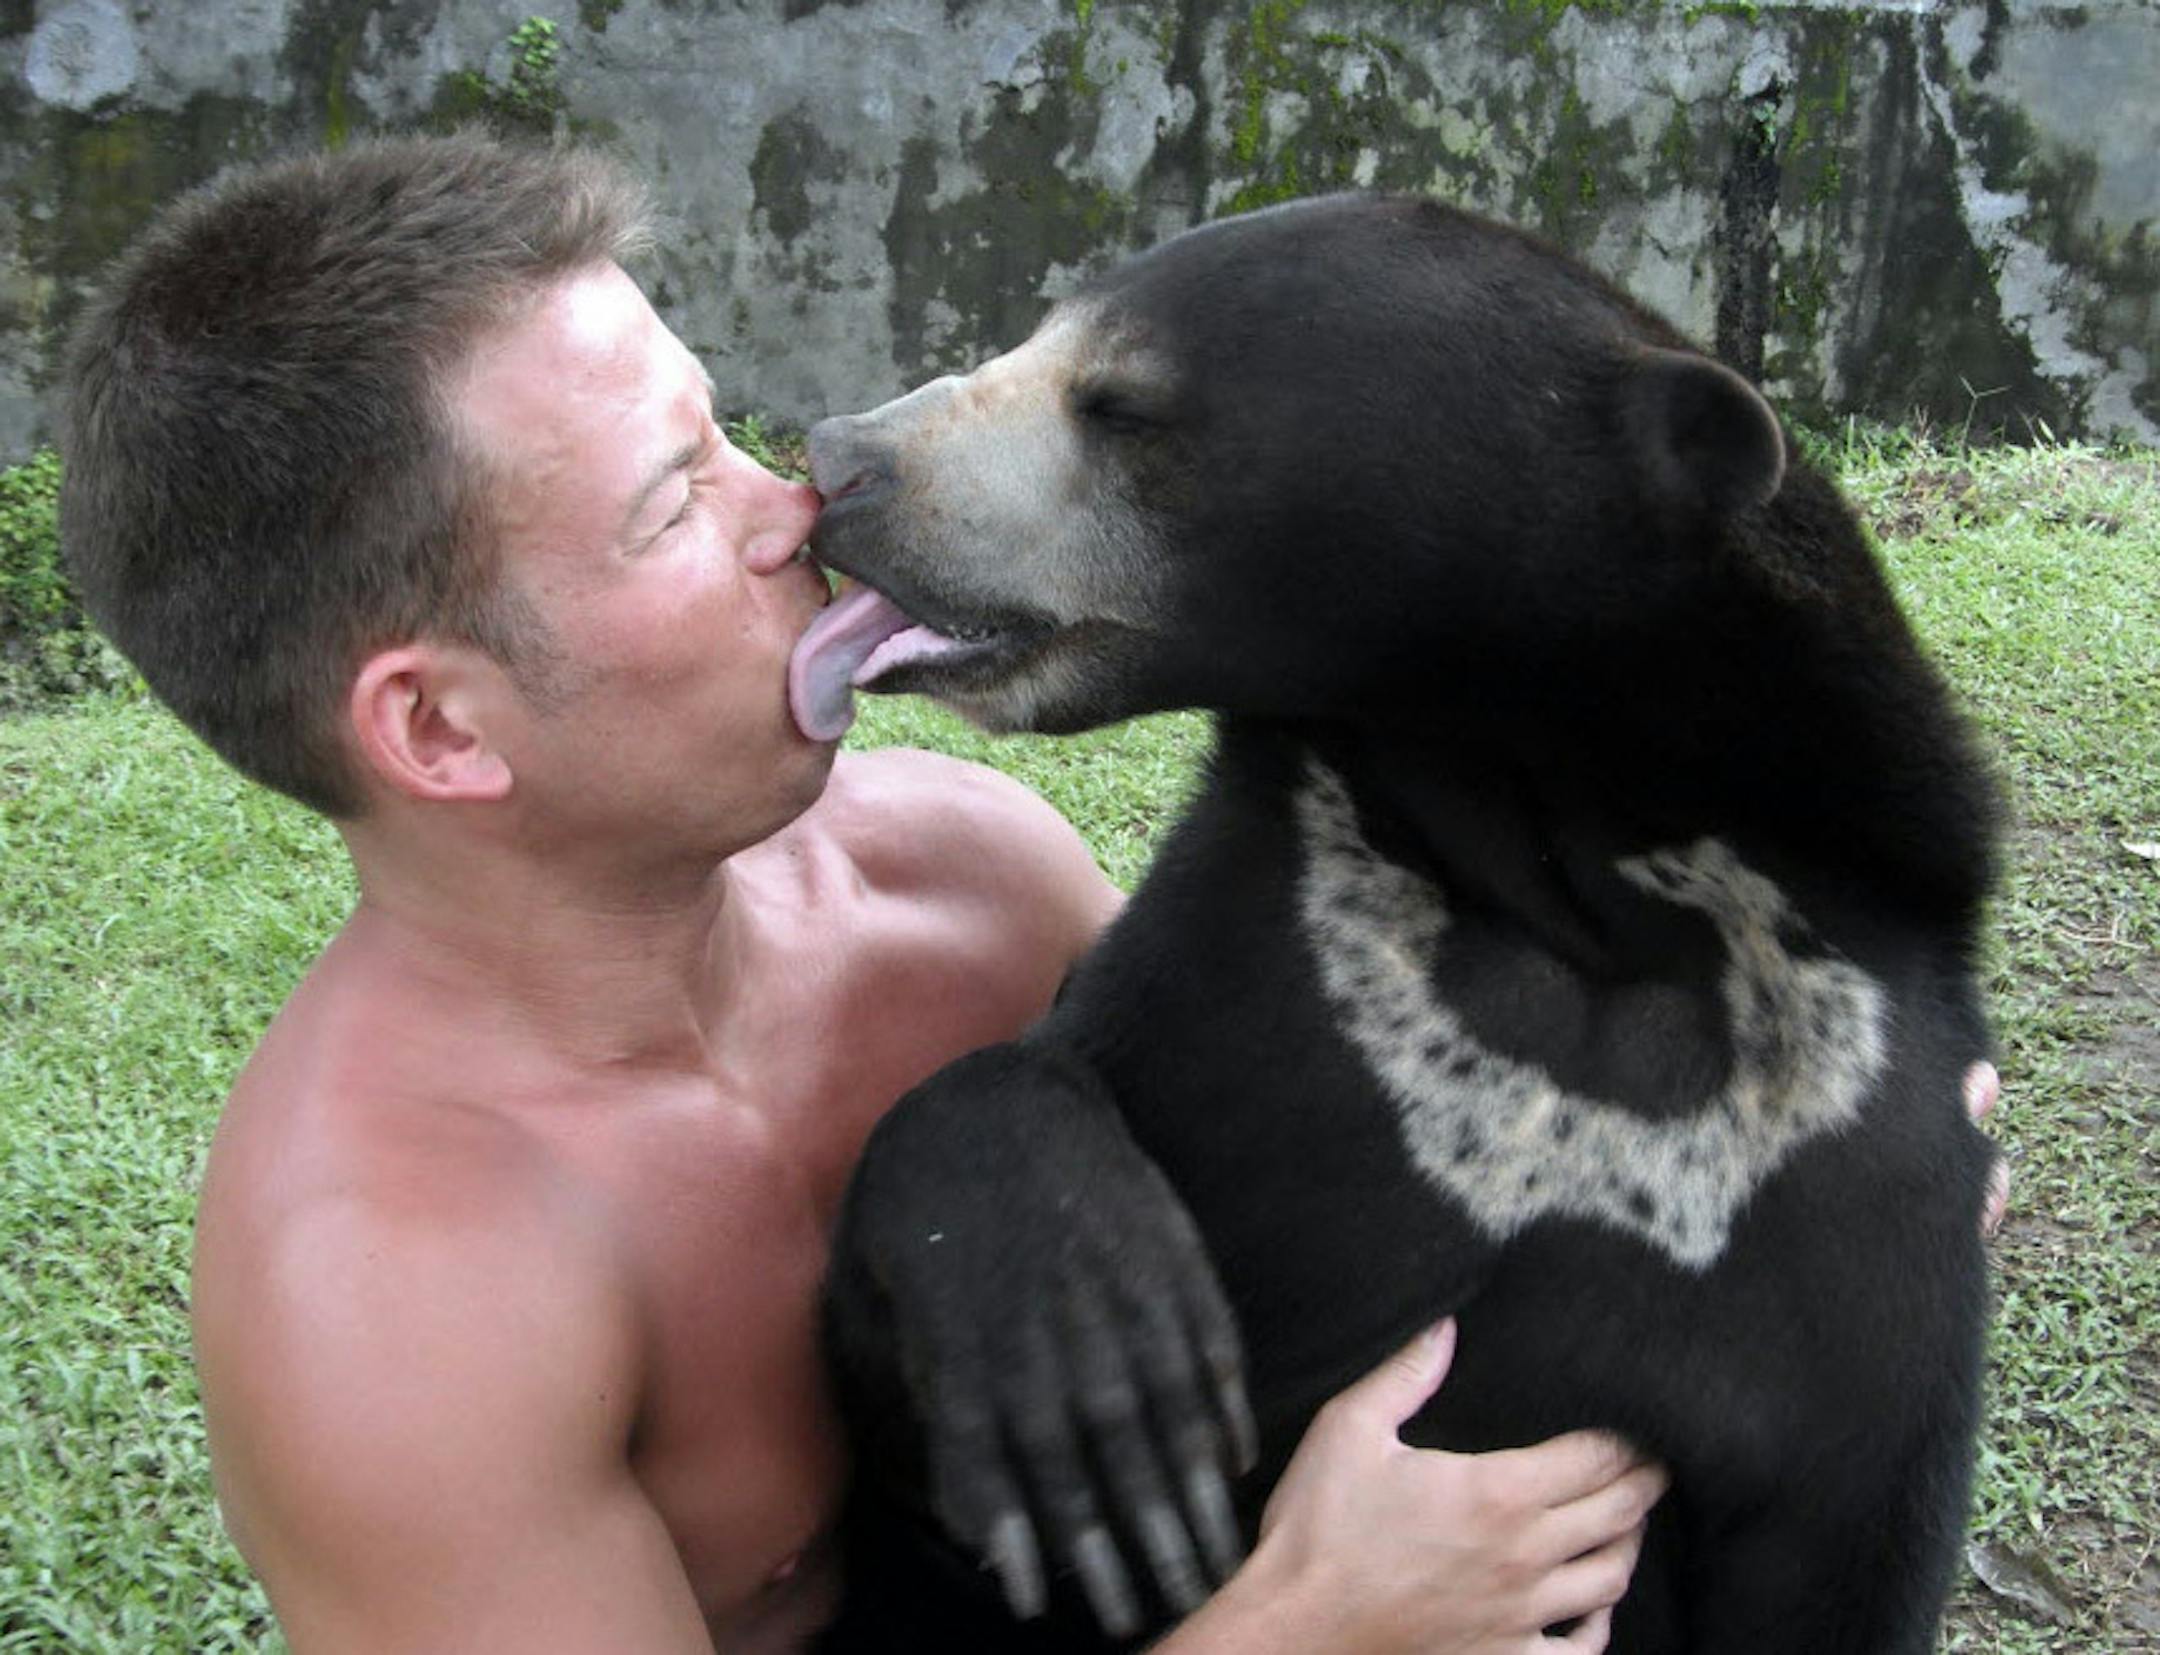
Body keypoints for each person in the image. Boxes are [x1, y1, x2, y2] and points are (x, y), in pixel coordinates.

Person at [57, 132, 1987, 1654]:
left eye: (726, 424)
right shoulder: (405, 1296)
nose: (798, 495)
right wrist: (1310, 1629)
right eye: (673, 505)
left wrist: (1830, 1194)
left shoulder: (954, 877)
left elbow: (1313, 1199)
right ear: (443, 731)